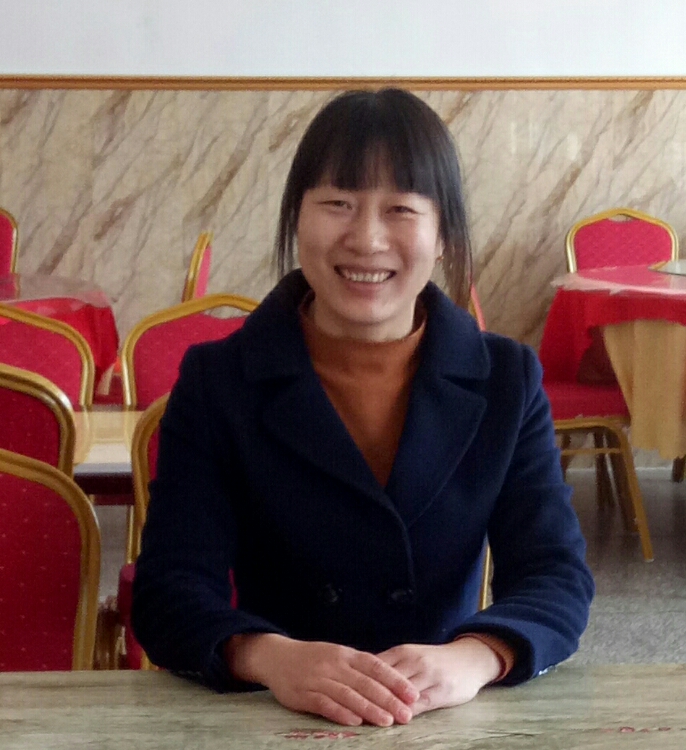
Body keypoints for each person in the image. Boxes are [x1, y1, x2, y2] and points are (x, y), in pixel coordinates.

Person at [132, 88, 594, 727]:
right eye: (337, 204)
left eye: (401, 209)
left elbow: (555, 575)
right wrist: (268, 656)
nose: (367, 238)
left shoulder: (505, 381)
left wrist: (476, 656)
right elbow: (170, 589)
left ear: (442, 235)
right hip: (274, 717)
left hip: (442, 718)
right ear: (297, 219)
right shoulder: (219, 381)